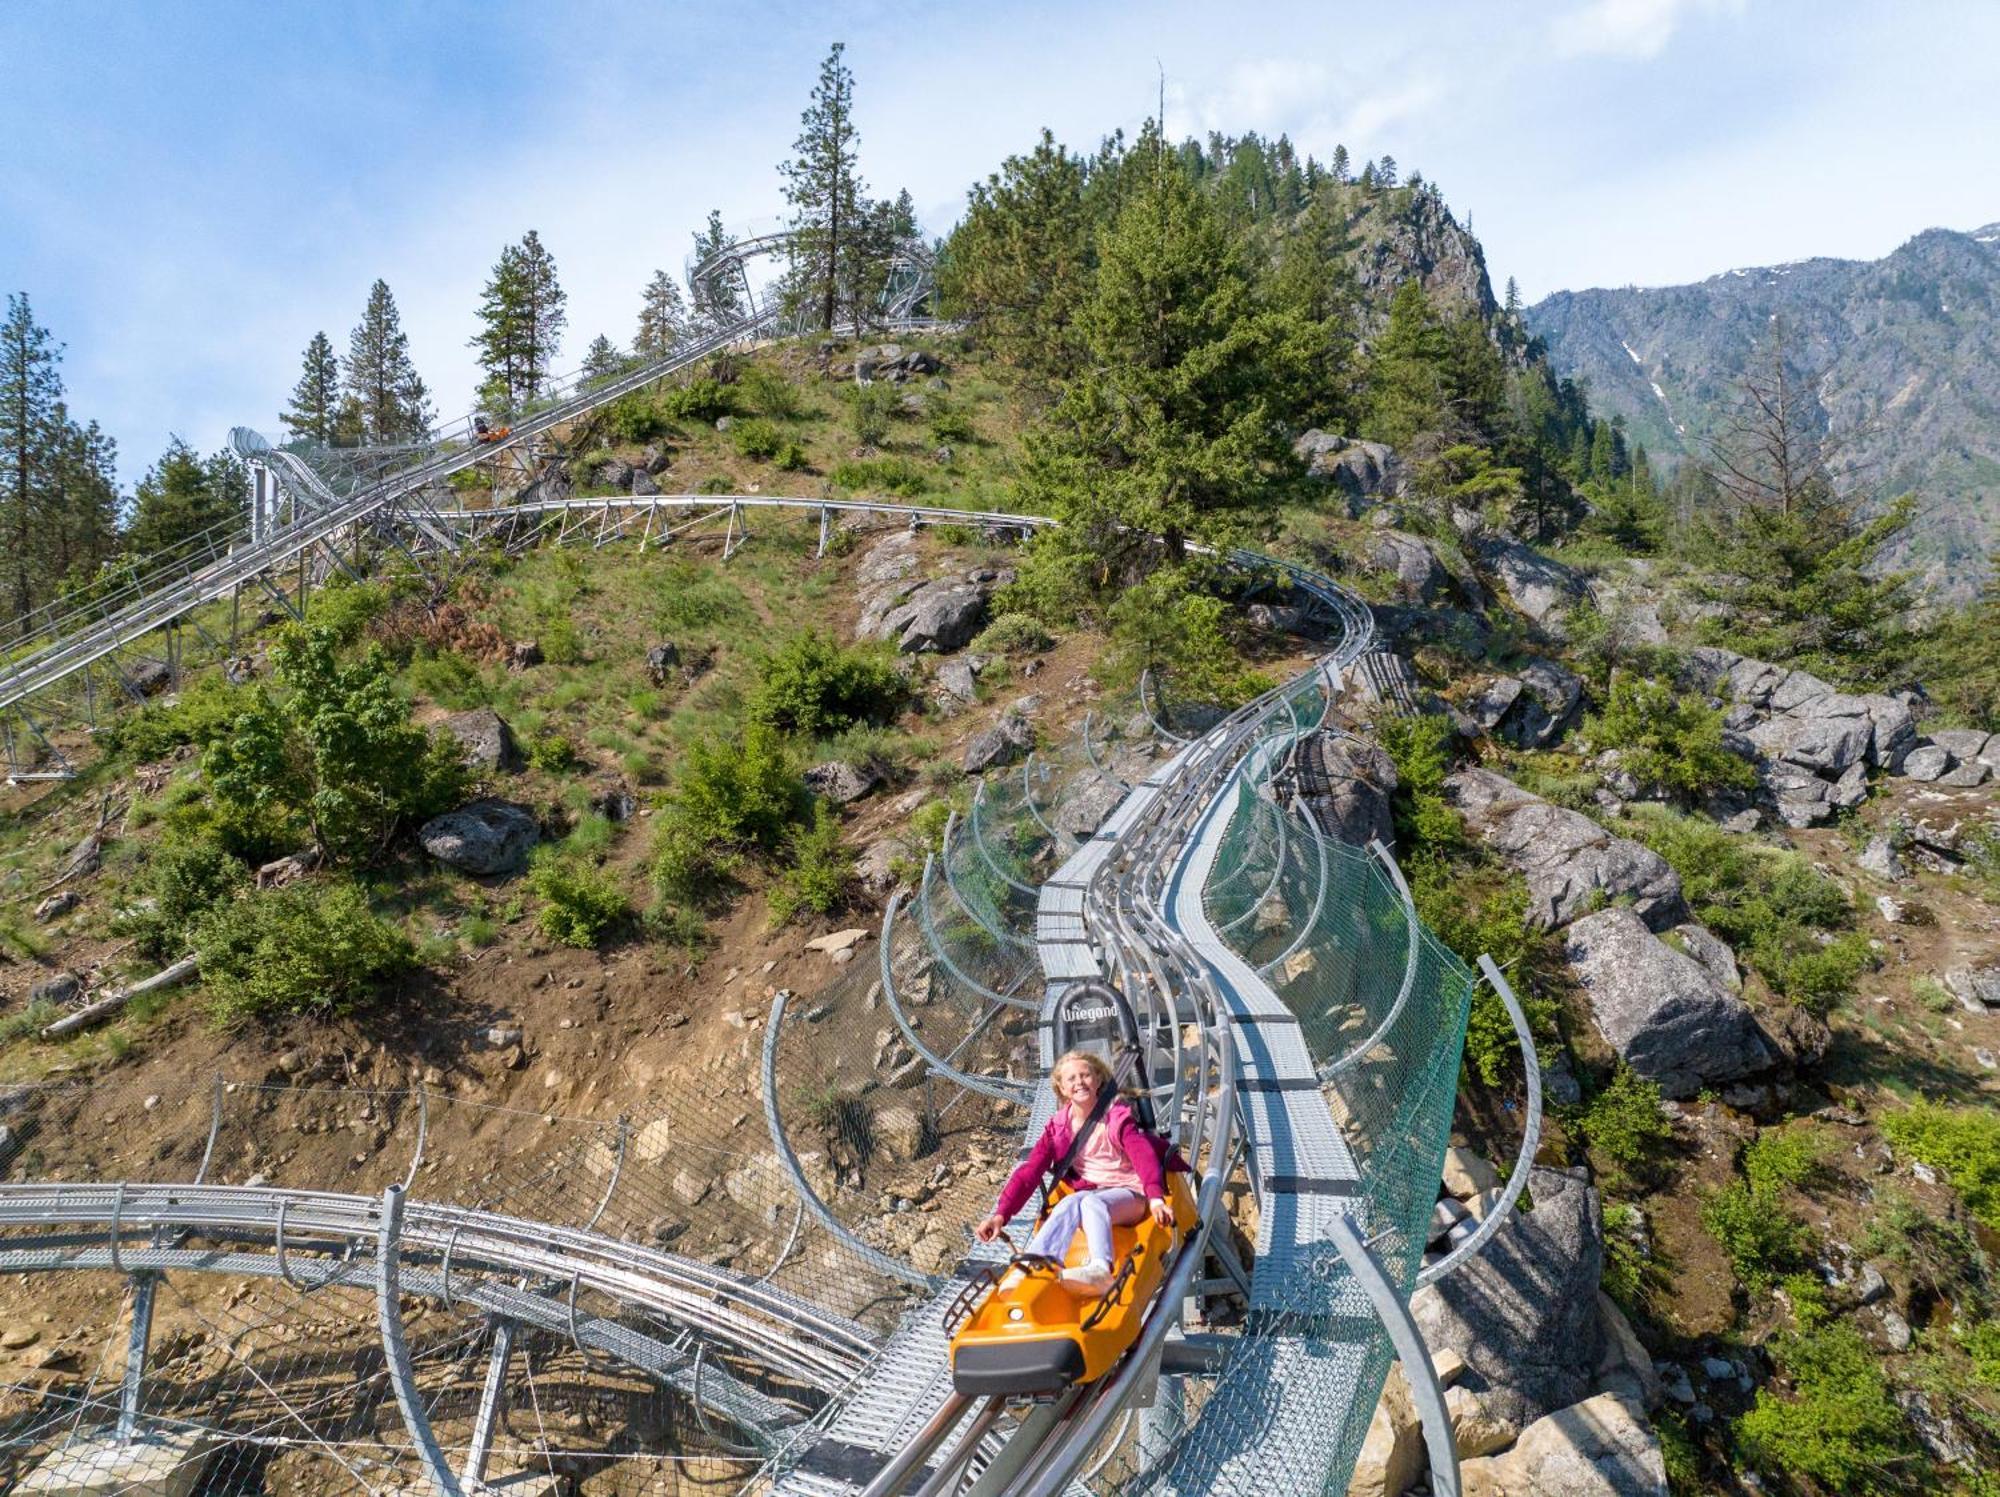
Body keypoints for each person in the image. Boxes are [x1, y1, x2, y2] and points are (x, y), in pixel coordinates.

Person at [975, 1049, 1174, 1295]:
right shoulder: (1058, 1127)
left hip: (1129, 1195)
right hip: (1092, 1196)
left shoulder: (1116, 1118)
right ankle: (1036, 1263)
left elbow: (1141, 1153)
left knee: (1088, 1202)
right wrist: (1000, 1215)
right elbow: (1030, 1172)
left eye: (1085, 1075)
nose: (1079, 1082)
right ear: (1062, 1088)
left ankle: (1101, 1270)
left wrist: (1155, 1197)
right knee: (1069, 1202)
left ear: (1098, 1080)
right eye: (1071, 1079)